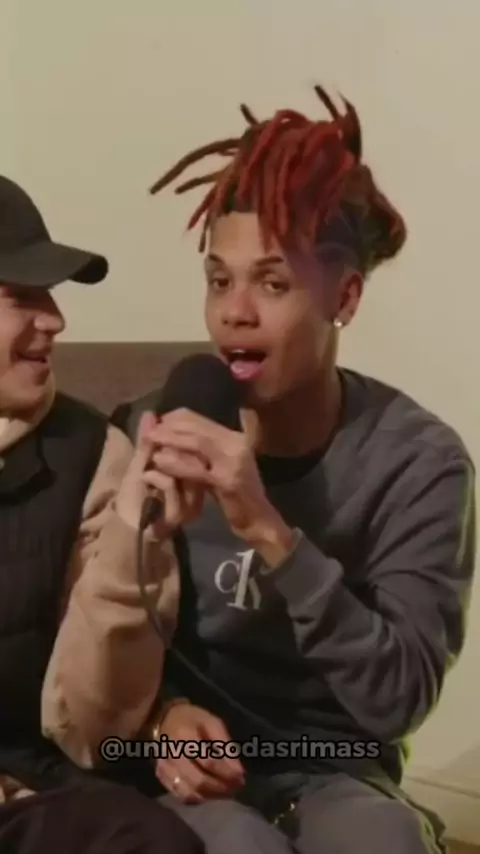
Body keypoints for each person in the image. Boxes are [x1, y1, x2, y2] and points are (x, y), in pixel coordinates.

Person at [42, 87, 476, 854]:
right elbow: (85, 657)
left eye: (272, 284)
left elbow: (398, 700)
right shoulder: (149, 430)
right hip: (181, 766)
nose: (234, 312)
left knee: (382, 841)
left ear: (344, 296)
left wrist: (268, 529)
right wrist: (160, 716)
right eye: (219, 280)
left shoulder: (419, 464)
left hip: (337, 770)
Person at [0, 175, 203, 852]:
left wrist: (130, 541)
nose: (55, 320)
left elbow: (90, 729)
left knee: (153, 841)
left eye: (51, 296)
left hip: (32, 789)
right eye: (22, 296)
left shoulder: (95, 454)